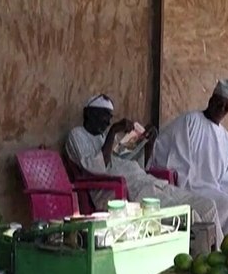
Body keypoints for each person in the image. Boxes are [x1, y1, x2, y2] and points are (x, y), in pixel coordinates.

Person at [150, 79, 228, 262]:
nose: (222, 109)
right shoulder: (189, 121)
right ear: (211, 99)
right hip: (191, 186)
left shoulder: (224, 136)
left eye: (227, 107)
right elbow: (175, 158)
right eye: (219, 103)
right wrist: (189, 182)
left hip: (217, 186)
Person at [65, 95, 218, 226]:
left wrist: (147, 143)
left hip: (149, 183)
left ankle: (220, 253)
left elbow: (138, 165)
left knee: (207, 206)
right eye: (103, 115)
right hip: (127, 192)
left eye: (110, 117)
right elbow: (96, 169)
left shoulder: (103, 138)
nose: (107, 122)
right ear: (88, 113)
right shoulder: (76, 135)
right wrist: (113, 131)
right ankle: (199, 257)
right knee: (189, 216)